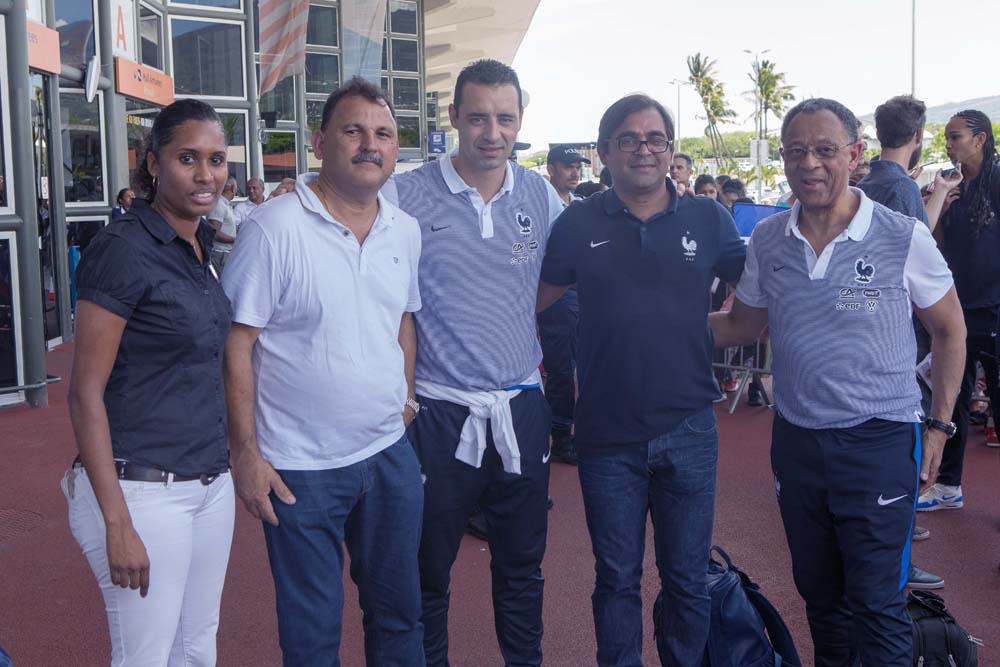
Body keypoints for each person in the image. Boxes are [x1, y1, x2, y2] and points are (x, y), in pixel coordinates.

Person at [710, 98, 965, 667]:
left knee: (877, 606)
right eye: (796, 152)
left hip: (879, 442)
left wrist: (942, 427)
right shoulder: (771, 239)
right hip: (798, 443)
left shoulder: (902, 235)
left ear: (855, 155)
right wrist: (653, 326)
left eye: (826, 150)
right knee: (822, 602)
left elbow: (951, 331)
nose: (811, 164)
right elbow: (743, 324)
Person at [538, 93, 746, 667]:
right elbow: (530, 300)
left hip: (690, 427)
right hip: (607, 434)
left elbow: (760, 288)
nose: (644, 149)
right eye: (628, 139)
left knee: (687, 579)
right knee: (617, 579)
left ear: (671, 149)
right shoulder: (577, 223)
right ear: (605, 153)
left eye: (656, 138)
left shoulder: (708, 218)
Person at [222, 77, 424, 667]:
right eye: (353, 130)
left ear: (395, 148)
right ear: (319, 142)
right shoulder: (273, 227)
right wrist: (246, 454)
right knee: (311, 635)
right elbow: (236, 344)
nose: (370, 143)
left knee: (399, 616)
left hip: (389, 453)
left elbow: (403, 321)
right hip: (300, 468)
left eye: (383, 133)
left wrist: (406, 403)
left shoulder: (402, 230)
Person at [383, 59, 563, 667]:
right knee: (426, 570)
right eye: (479, 117)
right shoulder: (403, 193)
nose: (493, 132)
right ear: (454, 117)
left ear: (520, 121)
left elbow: (554, 282)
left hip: (520, 406)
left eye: (506, 118)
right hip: (436, 413)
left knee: (522, 567)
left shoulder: (539, 194)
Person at [64, 98, 235, 666]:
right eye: (188, 158)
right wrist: (118, 522)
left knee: (196, 647)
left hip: (209, 485)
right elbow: (84, 391)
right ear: (153, 163)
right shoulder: (123, 249)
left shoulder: (199, 243)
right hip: (142, 490)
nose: (205, 174)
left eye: (216, 159)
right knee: (146, 657)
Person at [858, 94, 961, 590]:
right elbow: (920, 256)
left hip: (870, 329)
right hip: (900, 333)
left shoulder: (874, 183)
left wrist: (935, 195)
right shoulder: (898, 189)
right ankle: (895, 550)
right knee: (904, 441)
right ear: (919, 137)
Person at [920, 109, 1000, 512]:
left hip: (994, 307)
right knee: (952, 397)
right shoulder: (952, 186)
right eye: (948, 138)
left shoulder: (997, 180)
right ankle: (948, 484)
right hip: (959, 307)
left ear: (980, 139)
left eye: (956, 137)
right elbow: (938, 248)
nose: (949, 145)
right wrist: (940, 208)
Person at [539, 145, 591, 464]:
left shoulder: (582, 205)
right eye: (568, 166)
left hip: (582, 294)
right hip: (556, 296)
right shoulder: (542, 205)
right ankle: (559, 435)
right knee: (561, 369)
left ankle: (571, 430)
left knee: (581, 367)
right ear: (551, 169)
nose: (575, 171)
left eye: (578, 166)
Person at [207, 176, 238, 273]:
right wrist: (236, 239)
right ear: (233, 188)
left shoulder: (226, 204)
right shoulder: (219, 204)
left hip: (226, 254)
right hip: (220, 254)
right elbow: (215, 232)